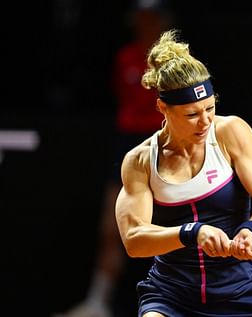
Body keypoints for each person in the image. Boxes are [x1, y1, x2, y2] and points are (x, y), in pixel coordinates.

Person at [114, 29, 252, 317]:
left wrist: (250, 229)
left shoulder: (231, 132)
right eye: (192, 114)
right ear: (162, 108)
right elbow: (134, 239)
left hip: (240, 294)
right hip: (170, 295)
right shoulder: (140, 161)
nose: (205, 121)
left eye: (210, 108)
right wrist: (191, 233)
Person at [54, 2, 174, 317]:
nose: (145, 23)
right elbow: (124, 100)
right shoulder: (124, 59)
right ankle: (97, 303)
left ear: (162, 20)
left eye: (152, 17)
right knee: (112, 228)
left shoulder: (176, 62)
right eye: (141, 17)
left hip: (163, 147)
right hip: (126, 146)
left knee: (168, 231)